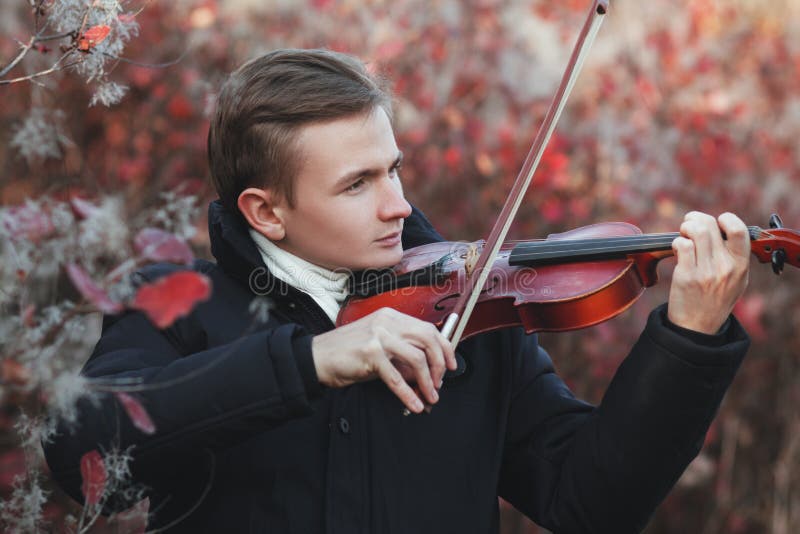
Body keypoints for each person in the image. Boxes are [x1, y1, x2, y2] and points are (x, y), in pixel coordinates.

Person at [44, 48, 751, 533]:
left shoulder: (468, 308)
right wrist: (309, 361)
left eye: (394, 170)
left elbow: (592, 502)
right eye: (357, 184)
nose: (398, 205)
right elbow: (82, 454)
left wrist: (687, 339)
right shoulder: (176, 302)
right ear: (266, 211)